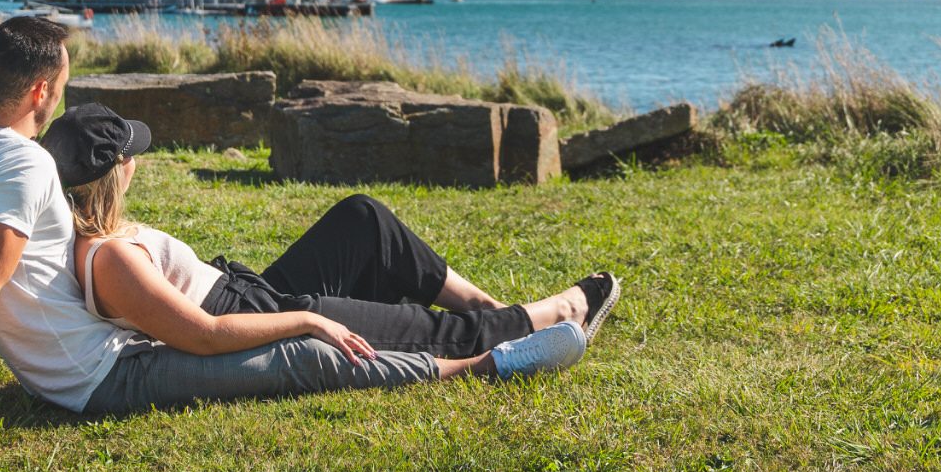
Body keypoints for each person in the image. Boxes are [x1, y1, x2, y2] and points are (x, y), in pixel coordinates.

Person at [0, 18, 589, 460]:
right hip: (100, 374)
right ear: (38, 88)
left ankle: (505, 321)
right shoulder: (23, 161)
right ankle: (492, 358)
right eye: (58, 88)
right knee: (312, 354)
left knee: (356, 240)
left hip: (122, 344)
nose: (57, 99)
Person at [37, 104, 620, 385]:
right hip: (254, 313)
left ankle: (491, 311)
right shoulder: (108, 257)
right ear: (118, 170)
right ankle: (545, 317)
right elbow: (203, 335)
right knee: (420, 327)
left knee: (361, 219)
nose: (138, 161)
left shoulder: (96, 232)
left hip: (250, 291)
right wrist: (304, 323)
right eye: (132, 155)